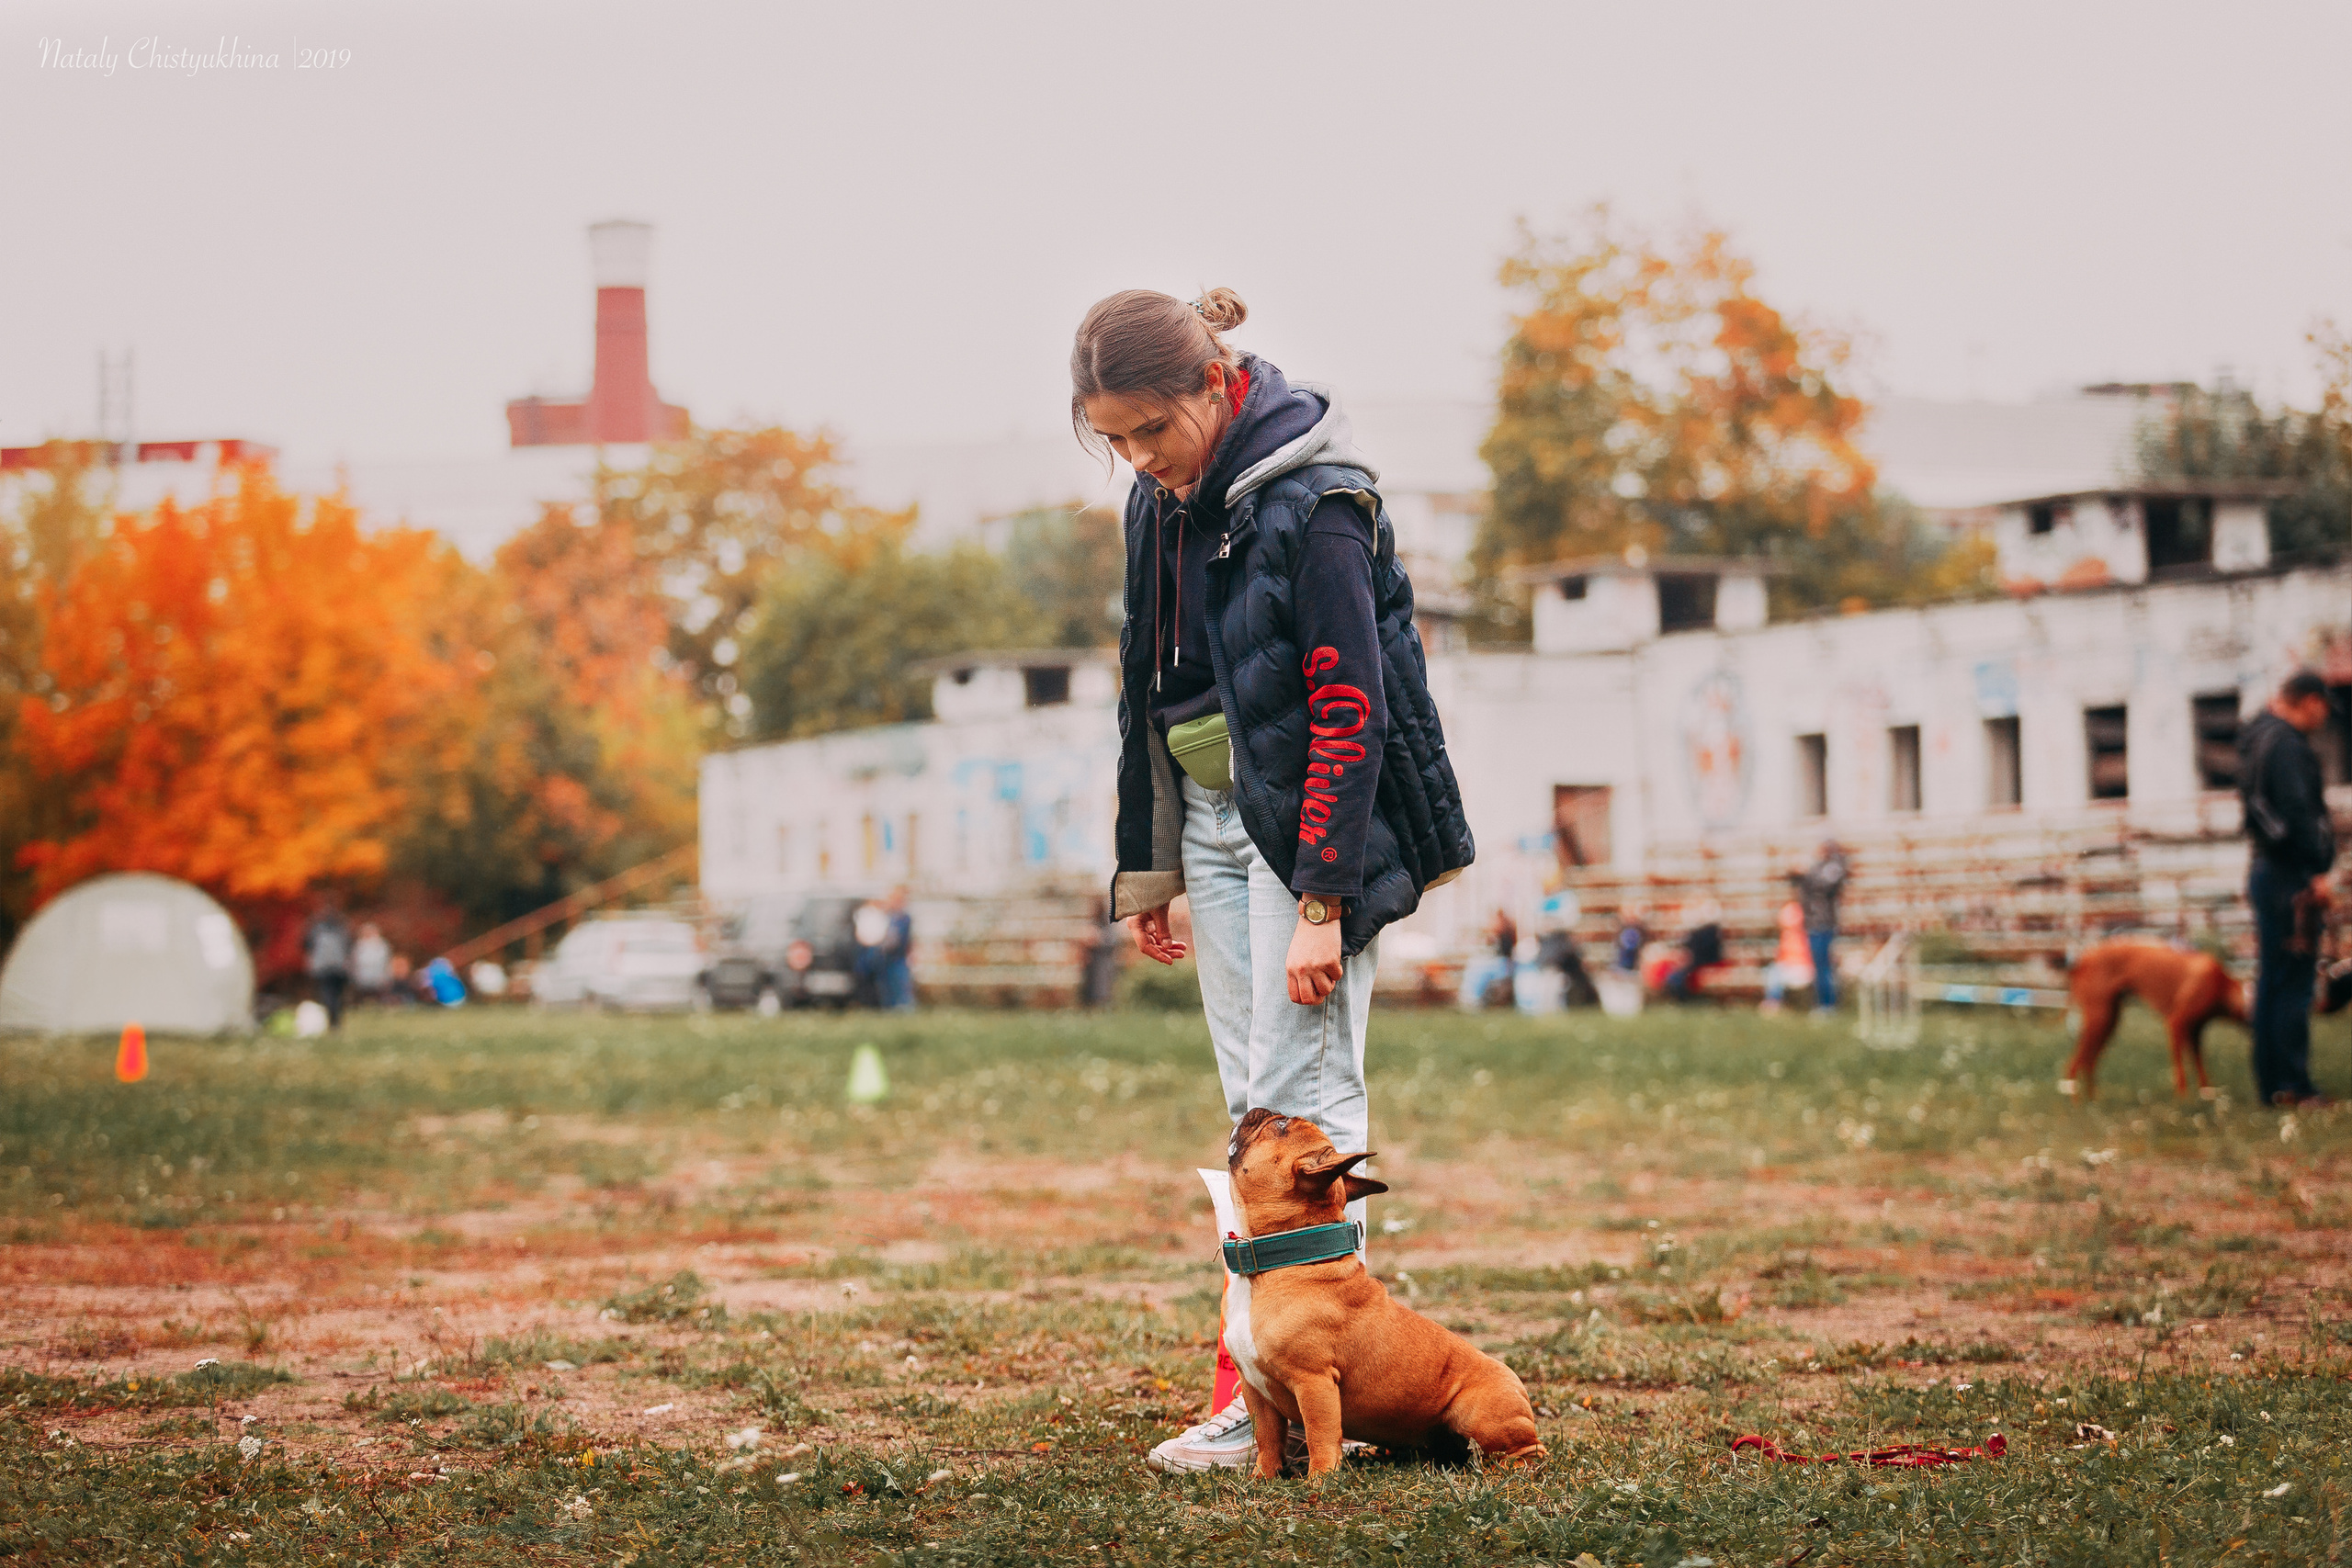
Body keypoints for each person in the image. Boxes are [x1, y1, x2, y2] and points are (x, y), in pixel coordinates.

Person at [1077, 288, 1473, 1472]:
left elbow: (1351, 705)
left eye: (1153, 429)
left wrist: (1321, 898)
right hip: (1206, 818)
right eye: (1116, 442)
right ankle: (1276, 1385)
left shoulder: (1321, 502)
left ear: (1213, 383)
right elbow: (1145, 685)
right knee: (1258, 1107)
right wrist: (1148, 862)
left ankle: (1297, 1398)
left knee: (1303, 1109)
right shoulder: (1160, 503)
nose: (1141, 461)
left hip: (1304, 831)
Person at [2239, 670, 2338, 1108]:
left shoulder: (2257, 737)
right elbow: (2299, 812)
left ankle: (2274, 1084)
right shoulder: (2287, 745)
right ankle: (2292, 1085)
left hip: (2268, 869)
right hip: (2288, 876)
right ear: (2311, 701)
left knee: (2274, 979)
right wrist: (2315, 870)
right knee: (2293, 980)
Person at [1791, 841, 1849, 1010]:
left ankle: (1828, 1003)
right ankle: (1822, 1002)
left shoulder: (1834, 867)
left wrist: (1805, 874)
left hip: (1824, 923)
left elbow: (1823, 886)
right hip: (1813, 922)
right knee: (1818, 965)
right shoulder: (1818, 868)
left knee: (1825, 965)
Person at [302, 899, 354, 1031]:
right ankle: (335, 1021)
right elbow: (349, 946)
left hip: (323, 967)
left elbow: (307, 945)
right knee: (337, 996)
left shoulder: (316, 928)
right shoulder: (342, 928)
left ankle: (332, 1020)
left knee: (327, 994)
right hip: (338, 967)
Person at [1662, 897, 1725, 1001]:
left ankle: (1683, 998)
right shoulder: (1697, 931)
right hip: (1695, 961)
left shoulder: (1710, 930)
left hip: (1704, 961)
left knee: (1680, 975)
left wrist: (1688, 959)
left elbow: (1704, 951)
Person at [1758, 900, 1816, 1014]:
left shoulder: (1806, 935)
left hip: (1803, 969)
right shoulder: (1785, 936)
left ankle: (1773, 1002)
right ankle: (1774, 1001)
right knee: (1772, 971)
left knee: (1775, 972)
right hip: (1788, 968)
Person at [1458, 908, 1517, 1010]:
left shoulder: (1506, 936)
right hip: (1495, 965)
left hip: (1503, 966)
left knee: (1478, 969)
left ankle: (1472, 998)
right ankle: (1471, 998)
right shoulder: (1491, 935)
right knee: (1476, 968)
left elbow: (1505, 954)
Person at [877, 886, 916, 1010]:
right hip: (886, 958)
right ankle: (889, 1010)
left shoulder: (904, 918)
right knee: (887, 989)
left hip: (899, 958)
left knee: (902, 988)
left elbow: (900, 940)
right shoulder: (887, 916)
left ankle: (905, 1011)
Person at [352, 922, 392, 1006]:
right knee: (364, 995)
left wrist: (386, 975)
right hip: (363, 976)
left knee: (378, 995)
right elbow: (356, 961)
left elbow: (385, 961)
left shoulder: (382, 945)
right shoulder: (359, 945)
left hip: (378, 975)